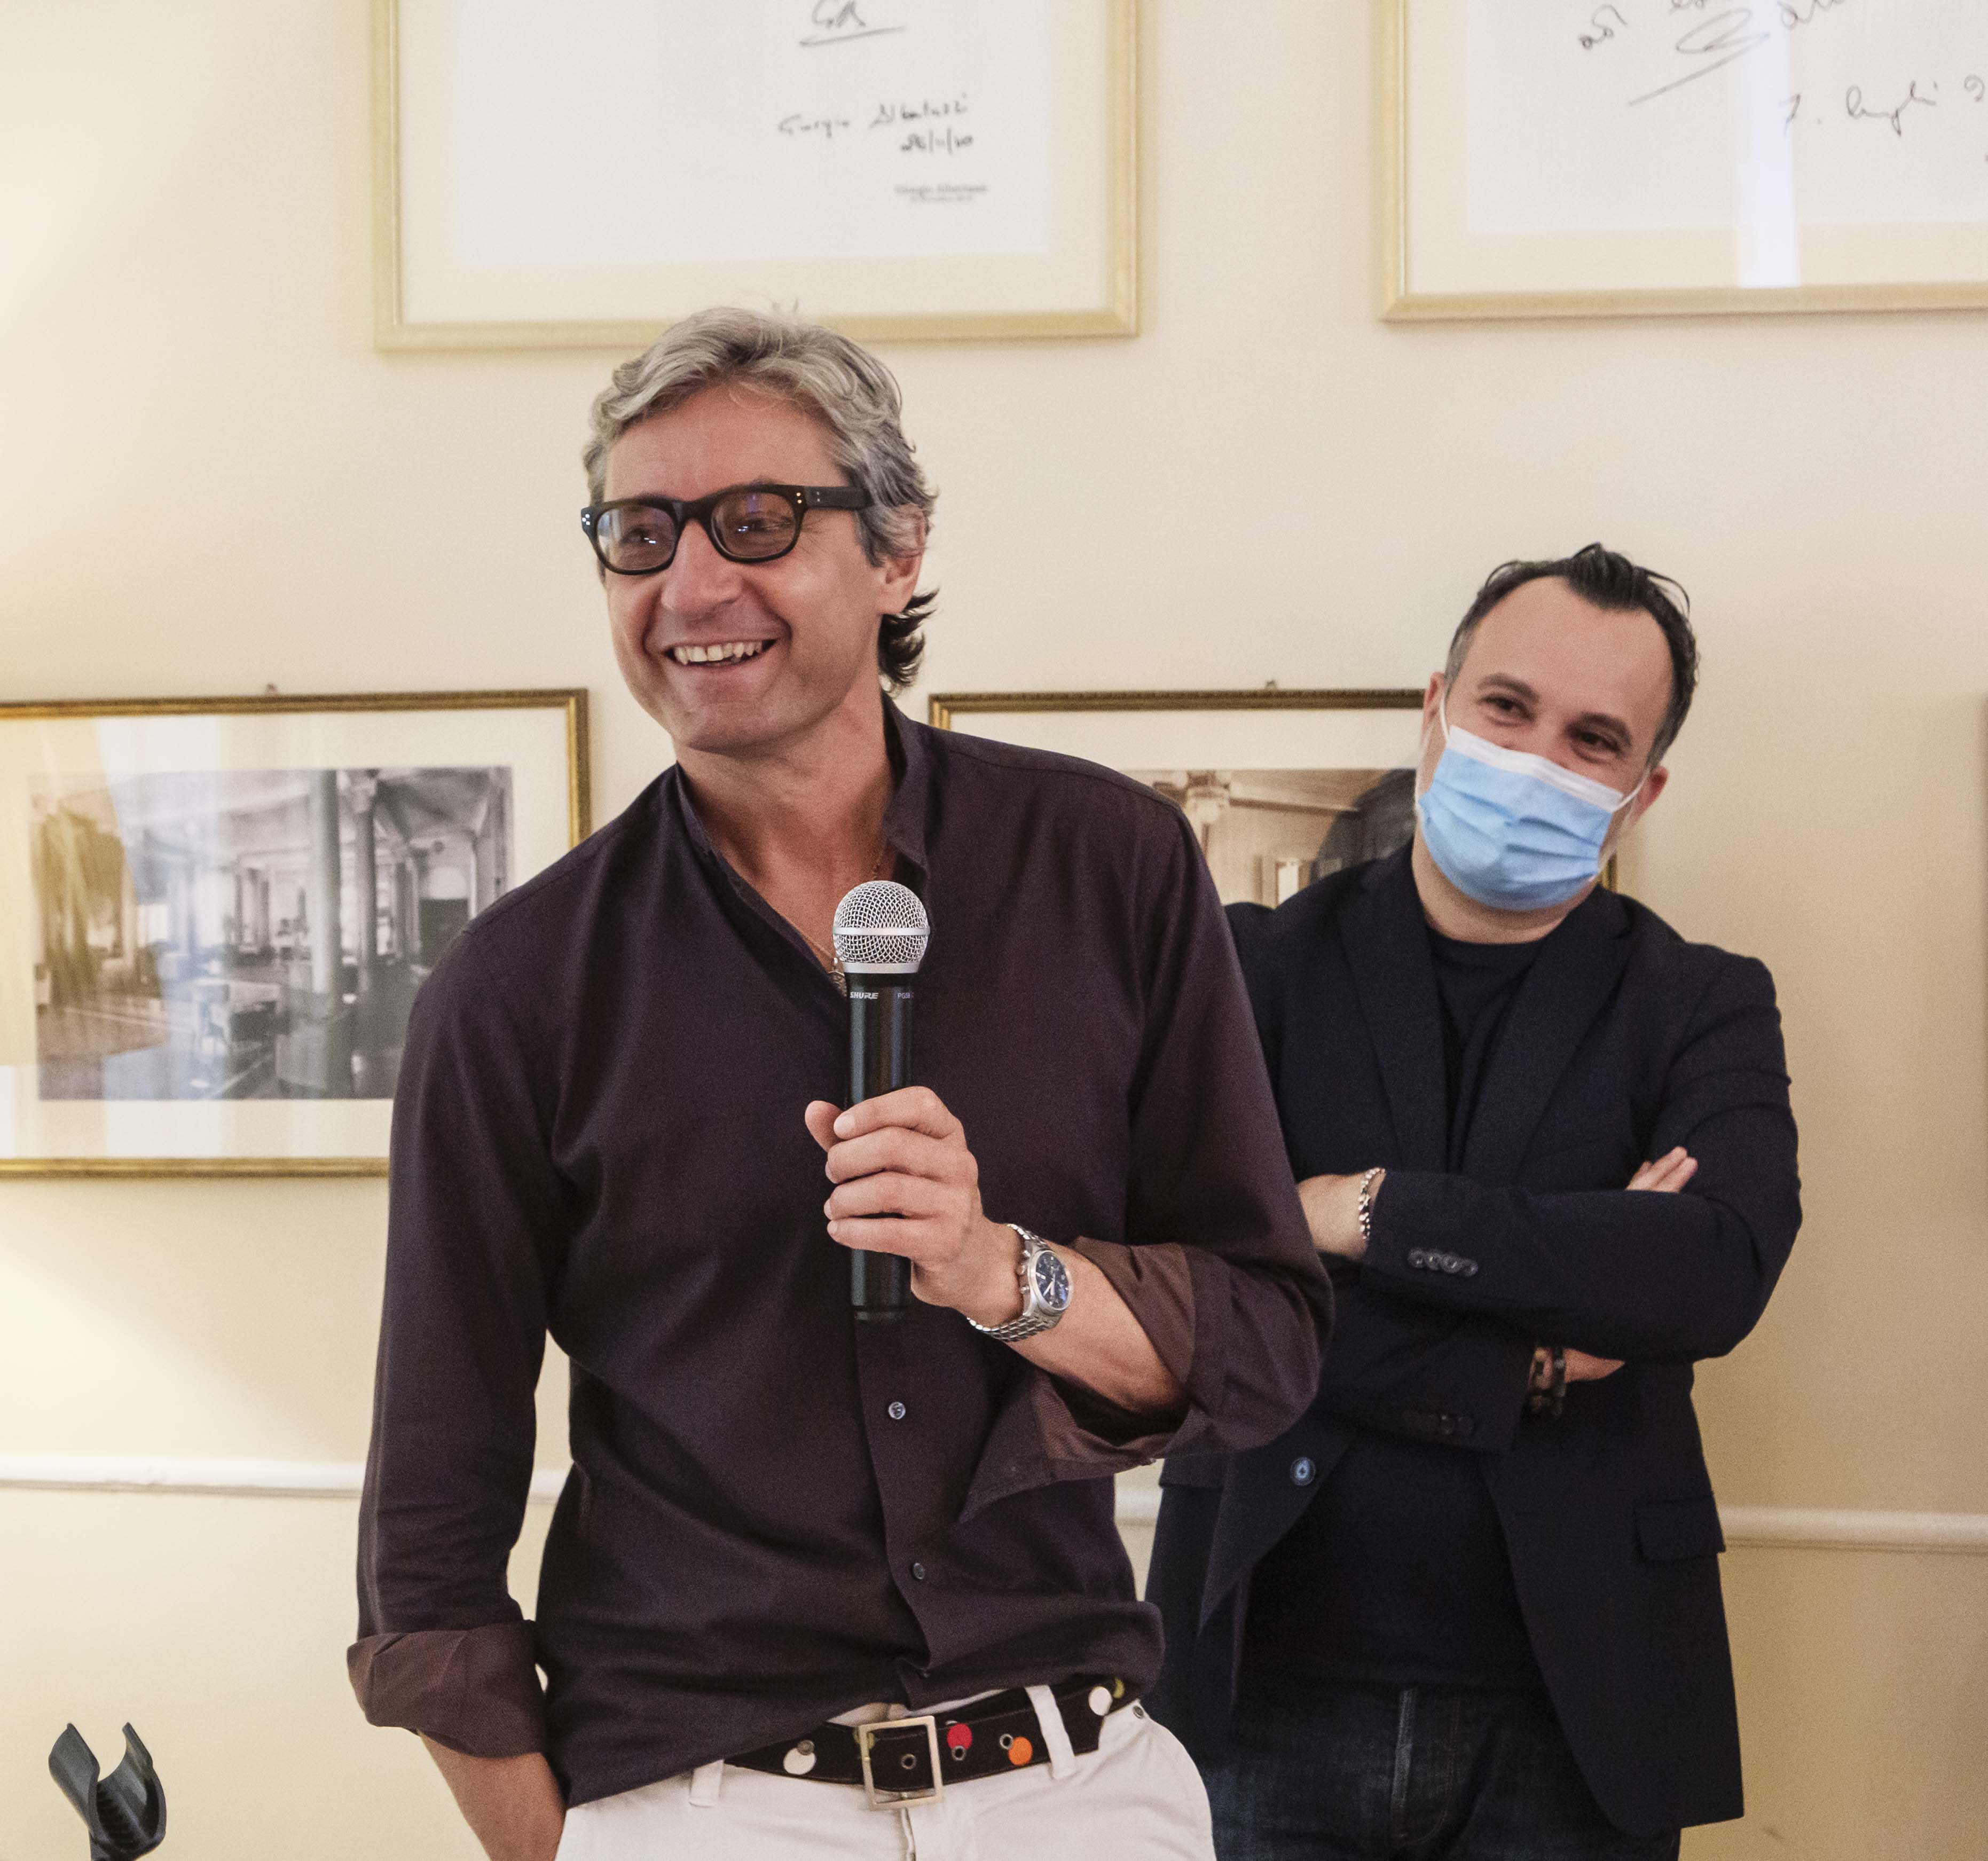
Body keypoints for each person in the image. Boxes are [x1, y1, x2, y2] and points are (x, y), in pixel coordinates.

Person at [348, 307, 1332, 1861]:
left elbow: (1262, 1344)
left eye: (755, 521)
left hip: (1074, 1790)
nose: (690, 586)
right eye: (639, 533)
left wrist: (1000, 1273)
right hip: (704, 1807)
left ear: (896, 547)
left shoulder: (1112, 867)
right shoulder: (515, 986)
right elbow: (428, 1532)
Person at [1146, 545, 1802, 1859]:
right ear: (1435, 708)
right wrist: (1533, 1362)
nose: (1536, 759)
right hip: (1261, 1675)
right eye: (1507, 709)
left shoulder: (1700, 1002)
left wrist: (1363, 1216)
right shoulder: (1246, 968)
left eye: (1591, 739)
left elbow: (1709, 1272)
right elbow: (1195, 1291)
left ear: (1639, 791)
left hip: (1580, 1705)